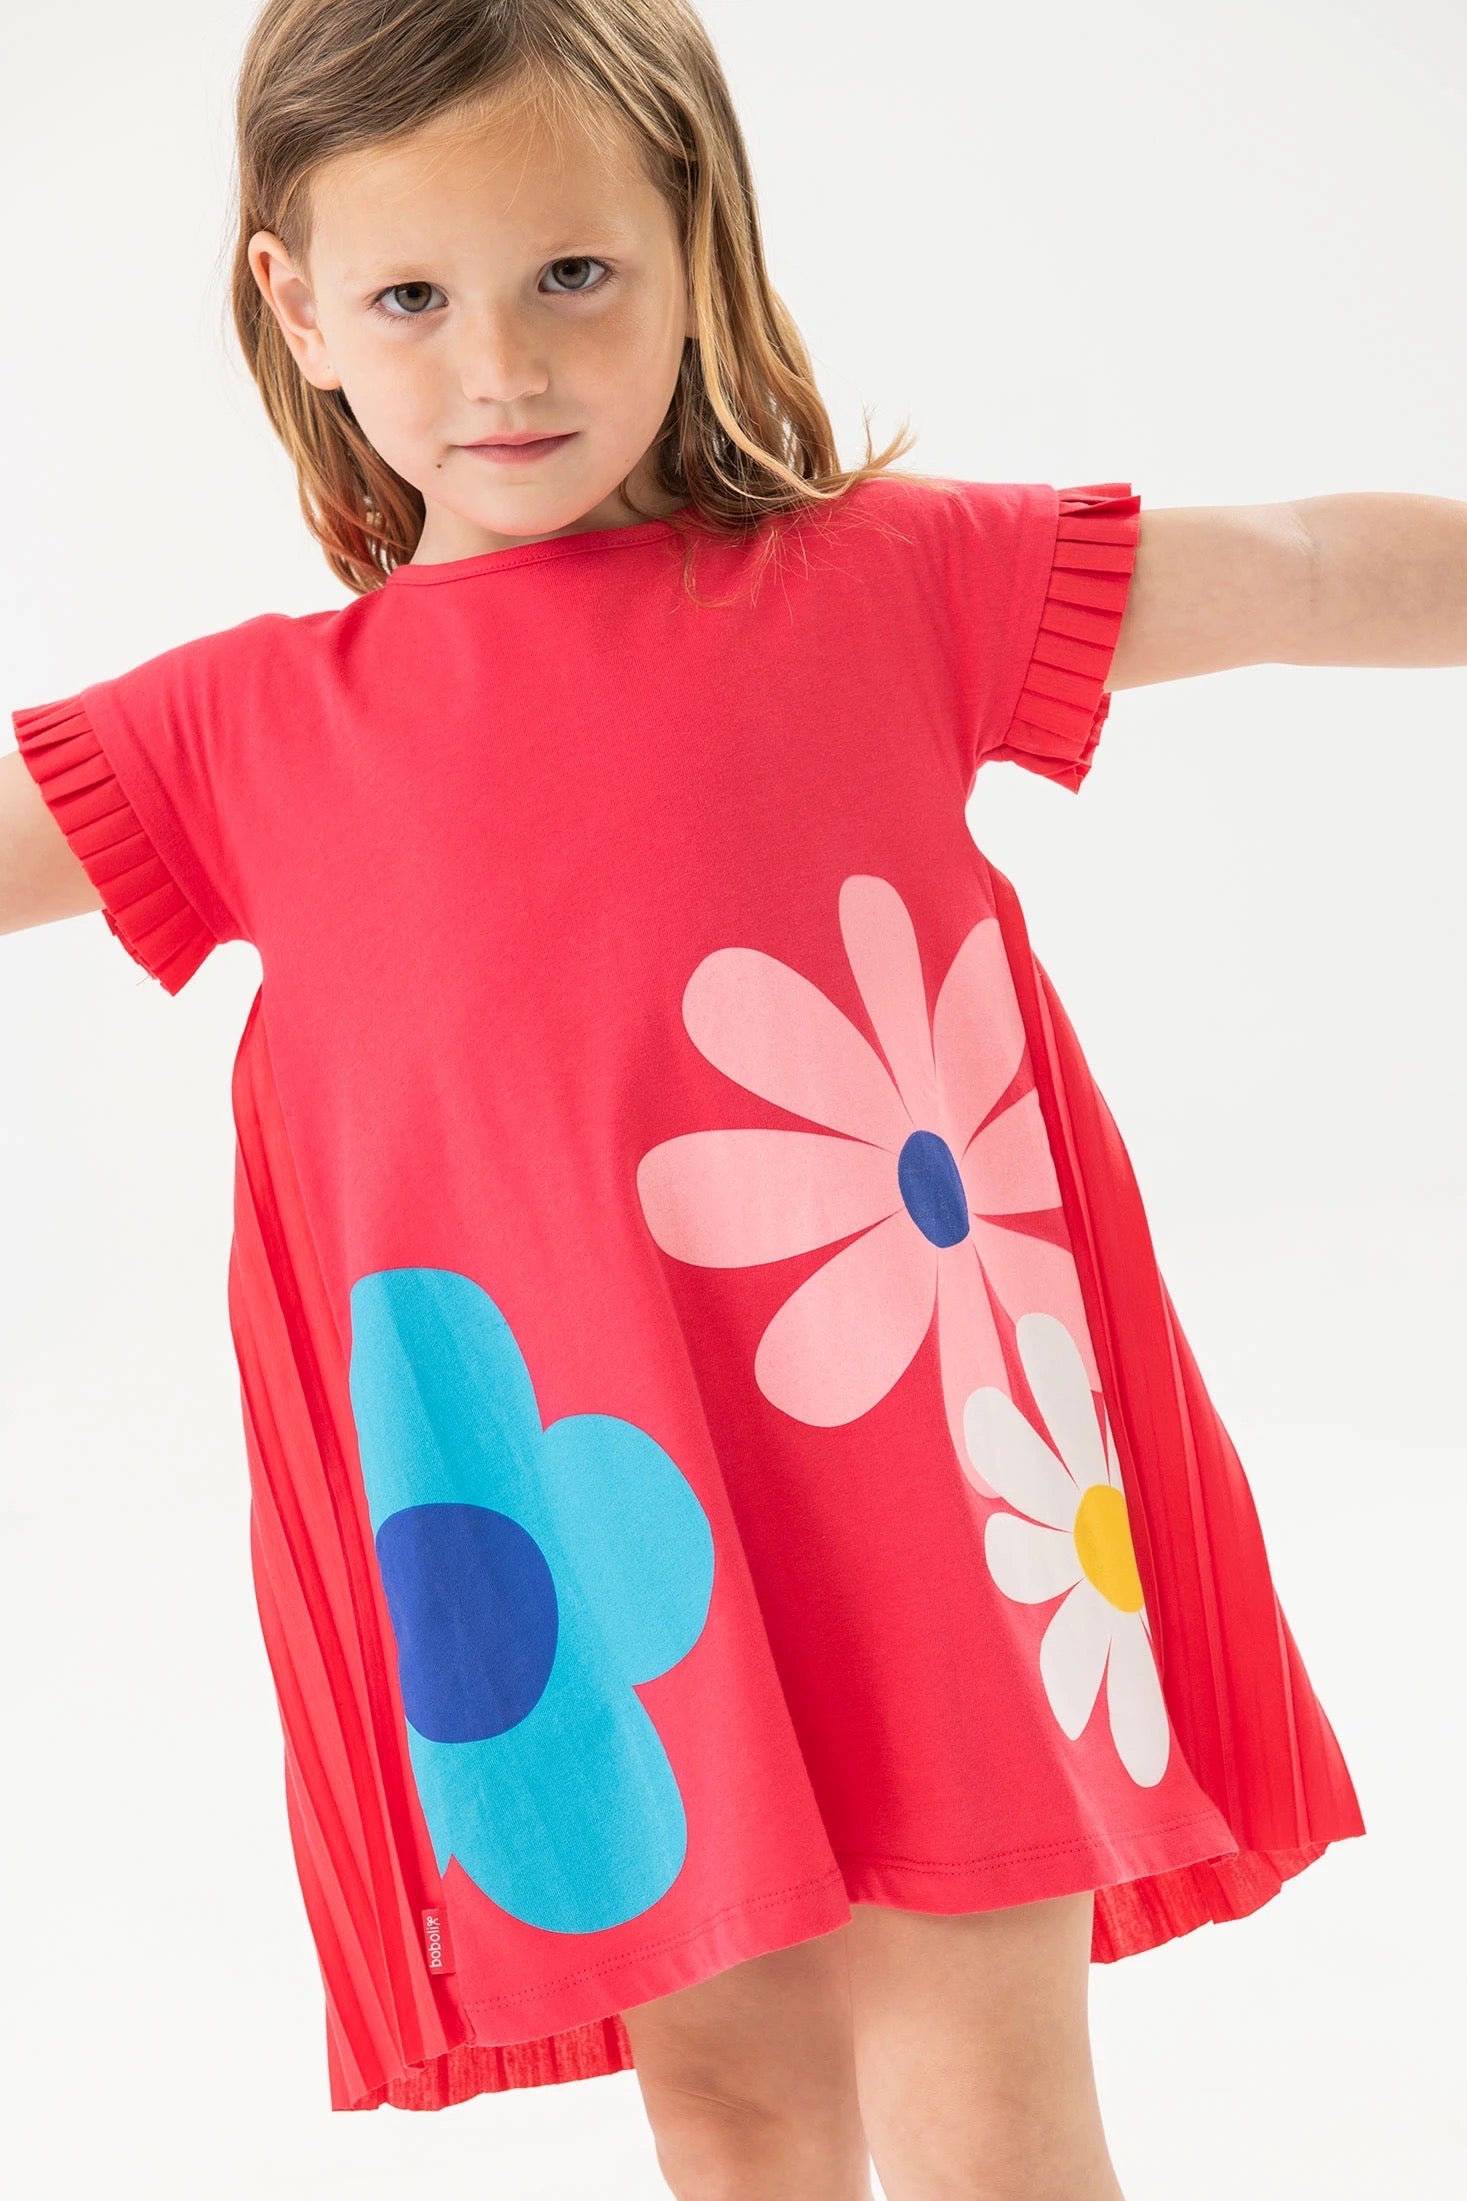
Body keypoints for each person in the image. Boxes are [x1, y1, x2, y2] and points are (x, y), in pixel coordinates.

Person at [2, 2, 1460, 2195]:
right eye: (413, 299)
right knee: (735, 2102)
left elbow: (1299, 567)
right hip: (574, 1515)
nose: (503, 365)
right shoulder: (236, 736)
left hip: (932, 1469)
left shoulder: (885, 580)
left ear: (695, 241)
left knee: (987, 2097)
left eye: (572, 273)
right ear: (294, 309)